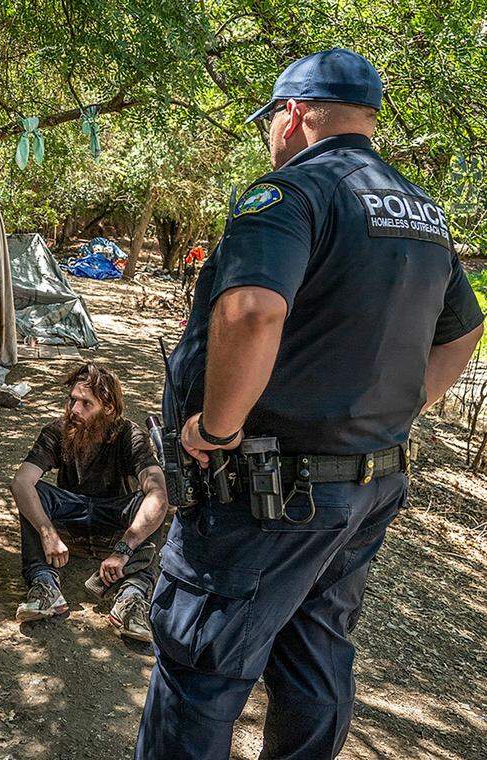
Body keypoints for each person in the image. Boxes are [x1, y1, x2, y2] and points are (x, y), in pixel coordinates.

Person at [135, 48, 484, 759]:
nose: (270, 135)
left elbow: (254, 309)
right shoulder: (422, 214)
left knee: (202, 666)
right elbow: (466, 328)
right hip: (366, 484)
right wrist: (398, 411)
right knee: (315, 657)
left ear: (295, 115)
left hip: (269, 495)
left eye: (272, 120)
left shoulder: (293, 193)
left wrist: (216, 425)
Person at [10, 363, 169, 642]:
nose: (74, 410)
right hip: (71, 520)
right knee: (33, 491)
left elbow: (157, 490)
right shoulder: (57, 431)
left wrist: (124, 548)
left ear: (107, 408)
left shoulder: (129, 435)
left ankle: (131, 598)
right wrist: (48, 534)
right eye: (72, 400)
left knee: (152, 501)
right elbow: (21, 482)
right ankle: (45, 585)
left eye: (86, 404)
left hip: (115, 521)